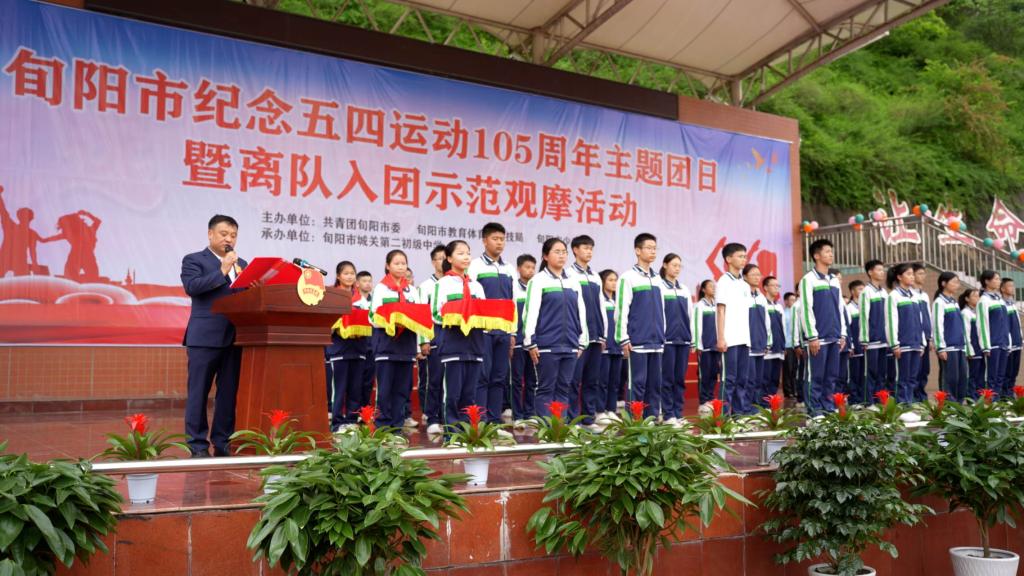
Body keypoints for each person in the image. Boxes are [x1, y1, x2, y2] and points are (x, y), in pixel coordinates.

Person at [180, 215, 247, 458]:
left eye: (233, 235)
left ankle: (223, 441)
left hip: (234, 338)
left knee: (228, 394)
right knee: (198, 393)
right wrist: (223, 269)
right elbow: (193, 287)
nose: (229, 239)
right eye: (224, 234)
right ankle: (197, 445)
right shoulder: (194, 260)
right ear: (210, 234)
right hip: (204, 338)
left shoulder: (243, 264)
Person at [523, 238, 588, 419]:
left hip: (570, 344)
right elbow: (530, 312)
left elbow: (581, 311)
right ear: (545, 256)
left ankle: (560, 428)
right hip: (546, 345)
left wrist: (582, 341)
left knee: (563, 388)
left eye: (564, 252)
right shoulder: (538, 281)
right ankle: (546, 428)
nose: (561, 255)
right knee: (546, 388)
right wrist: (530, 342)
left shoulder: (573, 281)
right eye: (557, 252)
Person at [432, 240, 488, 427]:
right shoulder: (443, 284)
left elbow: (483, 314)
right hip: (453, 346)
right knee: (452, 394)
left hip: (475, 345)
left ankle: (466, 431)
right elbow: (435, 314)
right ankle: (452, 433)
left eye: (468, 253)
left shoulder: (477, 286)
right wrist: (458, 317)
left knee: (470, 394)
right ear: (449, 258)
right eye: (460, 253)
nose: (466, 257)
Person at [468, 223, 516, 424]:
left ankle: (495, 421)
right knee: (482, 376)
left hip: (504, 330)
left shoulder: (509, 268)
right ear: (484, 241)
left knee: (499, 377)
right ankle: (480, 422)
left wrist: (513, 332)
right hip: (483, 331)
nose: (499, 243)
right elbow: (470, 297)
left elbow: (512, 301)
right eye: (495, 239)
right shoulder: (475, 266)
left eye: (502, 239)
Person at [368, 250, 421, 429]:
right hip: (386, 346)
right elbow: (372, 317)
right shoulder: (380, 288)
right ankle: (383, 427)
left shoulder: (412, 290)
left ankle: (397, 427)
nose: (400, 267)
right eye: (396, 263)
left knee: (402, 390)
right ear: (387, 266)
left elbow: (419, 317)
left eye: (403, 263)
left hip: (406, 346)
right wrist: (393, 320)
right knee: (384, 390)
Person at [615, 233, 666, 418]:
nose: (653, 251)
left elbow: (661, 309)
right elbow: (621, 309)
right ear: (637, 250)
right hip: (637, 341)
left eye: (654, 248)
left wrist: (662, 334)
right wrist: (623, 337)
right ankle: (634, 422)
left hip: (656, 341)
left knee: (655, 384)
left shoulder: (658, 279)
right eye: (648, 248)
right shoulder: (627, 277)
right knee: (637, 384)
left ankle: (651, 419)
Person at [796, 239, 846, 415]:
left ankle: (827, 407)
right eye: (827, 251)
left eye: (831, 251)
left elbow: (840, 308)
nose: (831, 254)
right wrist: (812, 336)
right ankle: (814, 411)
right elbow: (806, 309)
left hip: (834, 336)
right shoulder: (808, 280)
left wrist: (842, 334)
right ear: (816, 256)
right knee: (815, 376)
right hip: (818, 337)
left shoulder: (834, 280)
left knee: (831, 376)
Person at [325, 261, 370, 431]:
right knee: (339, 387)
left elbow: (369, 319)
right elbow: (328, 321)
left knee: (355, 387)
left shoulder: (361, 299)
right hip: (339, 348)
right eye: (346, 273)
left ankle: (351, 421)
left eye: (352, 273)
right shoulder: (332, 295)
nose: (350, 276)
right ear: (338, 276)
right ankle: (337, 423)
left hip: (358, 348)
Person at [568, 235, 607, 426]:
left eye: (591, 248)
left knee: (592, 380)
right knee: (573, 380)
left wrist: (603, 333)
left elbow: (601, 305)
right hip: (577, 337)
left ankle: (589, 419)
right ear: (575, 250)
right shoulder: (568, 274)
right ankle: (572, 420)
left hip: (596, 335)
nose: (589, 251)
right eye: (585, 248)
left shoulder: (595, 276)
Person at [716, 243, 752, 415]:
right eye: (740, 256)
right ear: (729, 259)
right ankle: (723, 418)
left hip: (744, 339)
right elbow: (720, 311)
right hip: (729, 339)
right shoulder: (723, 282)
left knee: (742, 379)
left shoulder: (745, 285)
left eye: (745, 256)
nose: (744, 259)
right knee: (728, 380)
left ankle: (738, 416)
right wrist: (721, 337)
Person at [659, 253, 693, 425]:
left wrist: (691, 338)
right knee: (667, 379)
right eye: (674, 265)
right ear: (665, 265)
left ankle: (678, 413)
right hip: (667, 340)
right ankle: (667, 414)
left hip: (683, 340)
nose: (677, 268)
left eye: (679, 266)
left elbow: (690, 315)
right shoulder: (659, 287)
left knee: (679, 379)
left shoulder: (684, 289)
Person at [418, 246, 447, 435]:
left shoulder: (455, 283)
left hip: (453, 340)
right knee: (434, 380)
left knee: (450, 381)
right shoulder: (426, 286)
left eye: (445, 258)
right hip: (434, 337)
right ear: (433, 262)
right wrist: (423, 340)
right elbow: (422, 315)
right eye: (439, 258)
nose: (442, 261)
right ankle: (432, 417)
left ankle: (447, 417)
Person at [885, 262, 924, 404]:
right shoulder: (893, 296)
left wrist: (922, 342)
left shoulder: (915, 296)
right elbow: (891, 321)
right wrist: (894, 344)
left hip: (915, 343)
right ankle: (901, 404)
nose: (912, 277)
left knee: (912, 378)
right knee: (902, 378)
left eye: (913, 274)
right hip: (902, 344)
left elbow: (919, 320)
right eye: (908, 274)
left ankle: (909, 403)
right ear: (899, 277)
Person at [511, 254, 538, 426]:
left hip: (533, 342)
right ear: (518, 268)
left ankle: (530, 413)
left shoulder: (536, 287)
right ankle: (517, 416)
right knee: (516, 380)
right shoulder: (513, 288)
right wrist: (512, 335)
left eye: (533, 267)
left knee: (532, 380)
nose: (530, 270)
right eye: (527, 267)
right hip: (518, 340)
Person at [933, 272, 968, 402]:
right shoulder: (939, 302)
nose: (957, 285)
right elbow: (937, 325)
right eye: (954, 282)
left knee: (962, 378)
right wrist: (941, 347)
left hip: (960, 346)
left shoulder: (954, 302)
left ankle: (959, 404)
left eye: (958, 282)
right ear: (944, 283)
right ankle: (949, 405)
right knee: (950, 379)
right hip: (948, 347)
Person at [859, 260, 889, 401]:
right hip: (871, 340)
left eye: (883, 270)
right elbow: (864, 316)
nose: (882, 272)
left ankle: (879, 401)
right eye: (879, 270)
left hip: (884, 340)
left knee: (882, 373)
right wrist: (864, 338)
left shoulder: (884, 292)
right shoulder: (866, 292)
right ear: (870, 272)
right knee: (870, 372)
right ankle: (868, 401)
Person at [0, 186, 45, 277]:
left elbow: (33, 251)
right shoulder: (11, 226)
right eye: (22, 215)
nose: (23, 217)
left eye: (25, 215)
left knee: (21, 281)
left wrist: (35, 264)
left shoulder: (30, 233)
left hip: (18, 260)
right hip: (6, 258)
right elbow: (3, 211)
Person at [978, 270, 1010, 396]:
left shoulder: (1000, 300)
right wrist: (986, 346)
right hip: (992, 345)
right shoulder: (984, 300)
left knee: (1000, 376)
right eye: (996, 279)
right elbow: (982, 324)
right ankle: (989, 403)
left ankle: (996, 402)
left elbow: (1005, 323)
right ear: (987, 281)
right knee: (991, 377)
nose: (999, 281)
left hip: (1003, 343)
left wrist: (1008, 342)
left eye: (999, 279)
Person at [745, 264, 770, 412]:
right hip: (747, 344)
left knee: (758, 379)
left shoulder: (761, 297)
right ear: (745, 276)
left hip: (760, 344)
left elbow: (766, 320)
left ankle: (755, 407)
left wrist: (767, 341)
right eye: (753, 274)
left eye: (758, 274)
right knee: (749, 379)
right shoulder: (742, 295)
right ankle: (746, 408)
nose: (757, 277)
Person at [599, 269, 623, 419]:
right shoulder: (600, 299)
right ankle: (600, 411)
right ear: (603, 282)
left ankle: (611, 409)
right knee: (602, 381)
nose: (614, 283)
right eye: (610, 280)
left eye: (615, 280)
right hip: (605, 346)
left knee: (615, 381)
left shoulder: (619, 300)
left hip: (617, 346)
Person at [694, 280, 720, 405]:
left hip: (716, 346)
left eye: (714, 286)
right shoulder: (699, 305)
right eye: (710, 286)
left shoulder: (717, 306)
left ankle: (710, 397)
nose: (713, 288)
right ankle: (704, 400)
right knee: (705, 374)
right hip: (704, 347)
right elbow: (696, 325)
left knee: (714, 373)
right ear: (703, 290)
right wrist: (698, 344)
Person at [911, 263, 932, 402]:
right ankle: (913, 397)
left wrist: (931, 337)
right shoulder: (910, 294)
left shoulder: (924, 295)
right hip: (915, 338)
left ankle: (921, 396)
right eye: (920, 273)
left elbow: (928, 316)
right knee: (915, 370)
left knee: (925, 369)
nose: (923, 276)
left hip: (926, 337)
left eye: (924, 273)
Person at [763, 276, 785, 400]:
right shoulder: (762, 304)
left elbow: (783, 328)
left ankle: (772, 403)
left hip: (778, 348)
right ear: (765, 287)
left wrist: (783, 345)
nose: (776, 288)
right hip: (767, 349)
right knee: (765, 378)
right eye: (774, 285)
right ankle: (763, 403)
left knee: (775, 379)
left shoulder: (779, 306)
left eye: (778, 286)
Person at [356, 270, 376, 407]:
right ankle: (355, 408)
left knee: (369, 379)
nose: (368, 284)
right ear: (357, 283)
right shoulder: (354, 300)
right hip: (358, 344)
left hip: (372, 344)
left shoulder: (375, 300)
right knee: (357, 379)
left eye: (369, 281)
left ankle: (365, 408)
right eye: (364, 281)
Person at [961, 288, 983, 400]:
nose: (977, 298)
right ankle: (971, 397)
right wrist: (969, 349)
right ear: (967, 299)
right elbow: (965, 332)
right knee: (973, 375)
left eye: (978, 296)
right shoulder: (965, 313)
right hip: (973, 349)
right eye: (974, 296)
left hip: (981, 348)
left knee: (980, 375)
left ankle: (979, 397)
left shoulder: (979, 312)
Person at [846, 280, 866, 403]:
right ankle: (854, 400)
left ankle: (863, 398)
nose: (863, 292)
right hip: (855, 347)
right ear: (852, 291)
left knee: (864, 375)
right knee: (854, 375)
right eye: (860, 289)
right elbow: (848, 329)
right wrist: (851, 345)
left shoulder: (865, 306)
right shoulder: (849, 308)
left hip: (865, 346)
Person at [1001, 278, 1022, 391]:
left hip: (1017, 342)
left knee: (1014, 372)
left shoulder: (1012, 304)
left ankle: (1010, 393)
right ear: (1002, 288)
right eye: (1010, 286)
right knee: (1007, 372)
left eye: (1013, 285)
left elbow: (1017, 323)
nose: (1013, 288)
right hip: (1008, 344)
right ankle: (1005, 395)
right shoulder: (1001, 304)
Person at [781, 292, 799, 400]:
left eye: (794, 300)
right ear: (786, 301)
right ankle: (787, 391)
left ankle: (794, 389)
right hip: (787, 345)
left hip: (795, 344)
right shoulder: (784, 313)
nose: (793, 302)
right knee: (788, 369)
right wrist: (783, 346)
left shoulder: (796, 312)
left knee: (795, 369)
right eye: (791, 300)